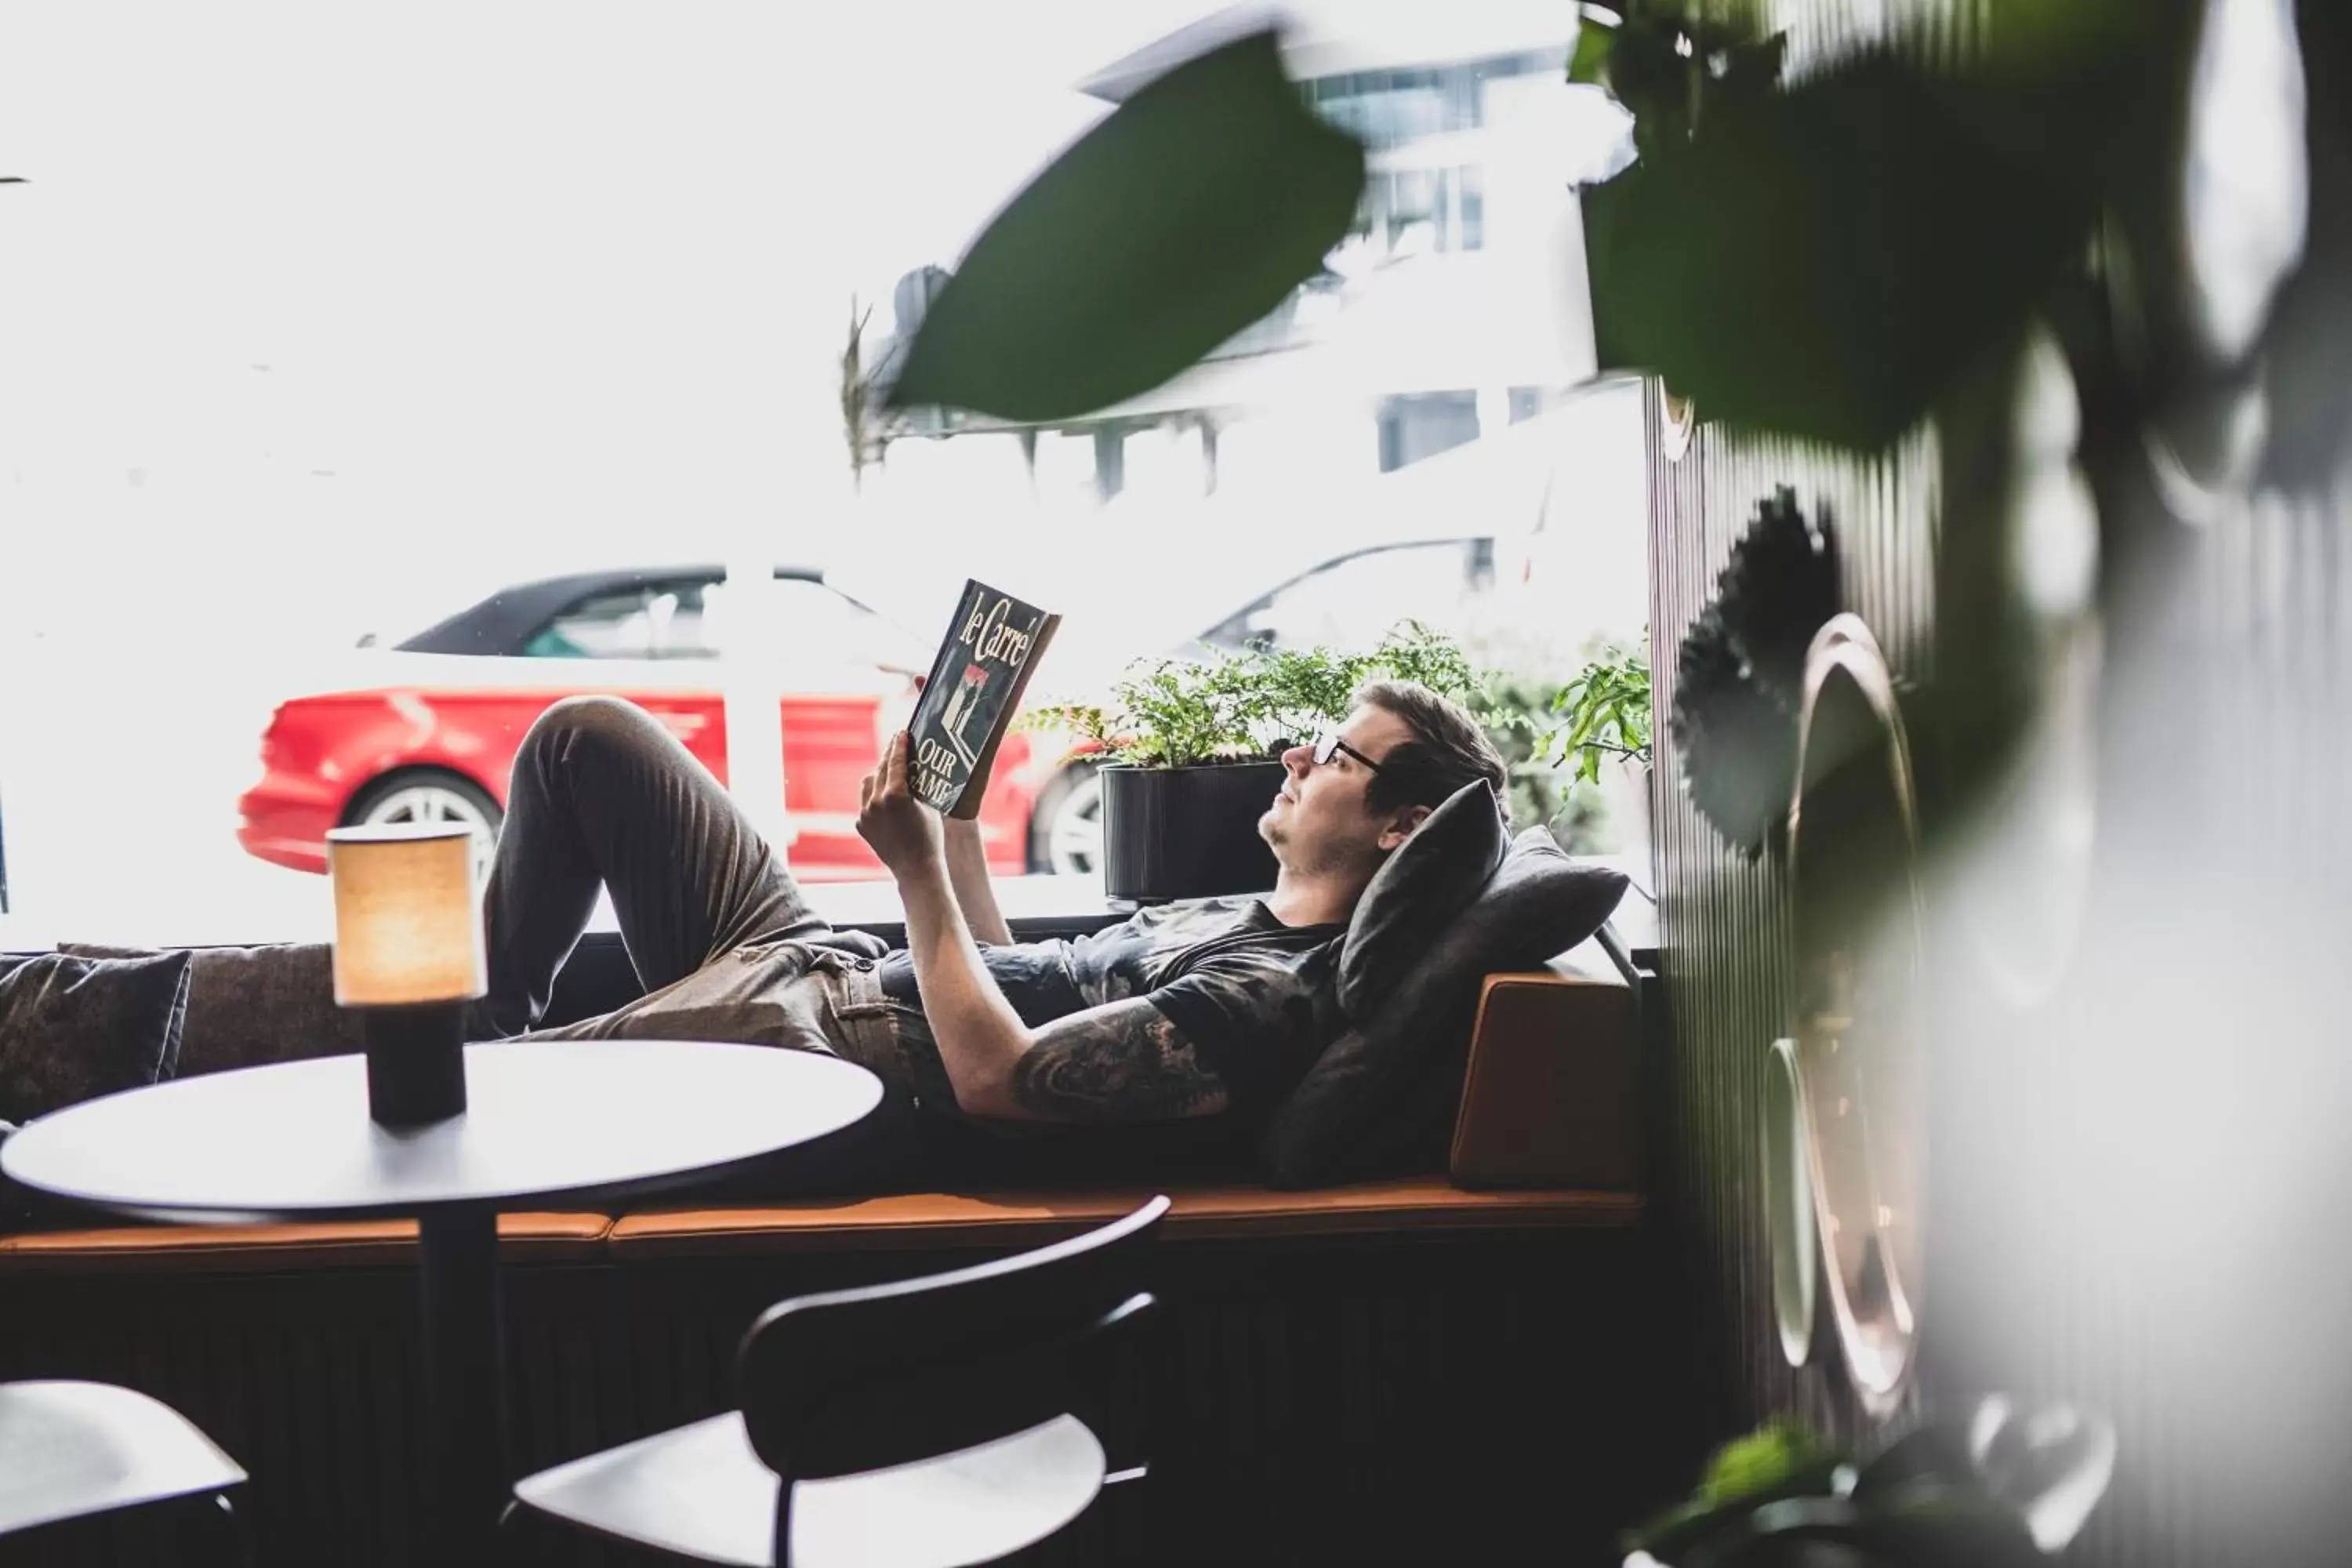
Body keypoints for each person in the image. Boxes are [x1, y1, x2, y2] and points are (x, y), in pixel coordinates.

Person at [479, 681, 1505, 1151]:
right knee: (587, 740)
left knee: (487, 1096)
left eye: (1332, 756)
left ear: (1399, 828)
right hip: (818, 965)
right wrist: (960, 827)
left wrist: (916, 873)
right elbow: (1033, 992)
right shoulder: (1249, 915)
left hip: (826, 1048)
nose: (1294, 756)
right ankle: (499, 1021)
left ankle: (490, 1065)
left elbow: (1001, 1079)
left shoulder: (1268, 997)